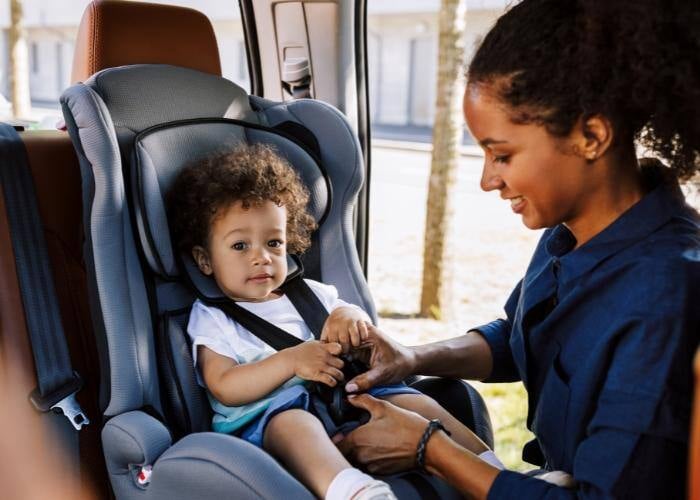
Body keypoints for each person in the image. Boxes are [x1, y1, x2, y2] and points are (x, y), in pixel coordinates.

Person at [336, 0, 700, 498]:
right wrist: (412, 358)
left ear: (591, 136)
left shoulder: (663, 293)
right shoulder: (571, 231)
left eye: (502, 154)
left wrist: (431, 449)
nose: (488, 180)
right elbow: (521, 338)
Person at [166, 144, 501, 500]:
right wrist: (291, 361)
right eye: (239, 247)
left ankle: (495, 474)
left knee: (416, 403)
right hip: (267, 418)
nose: (261, 257)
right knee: (295, 425)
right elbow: (223, 385)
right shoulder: (214, 317)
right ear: (204, 260)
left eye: (274, 242)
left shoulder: (312, 294)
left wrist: (349, 317)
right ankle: (356, 492)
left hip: (347, 397)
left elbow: (353, 319)